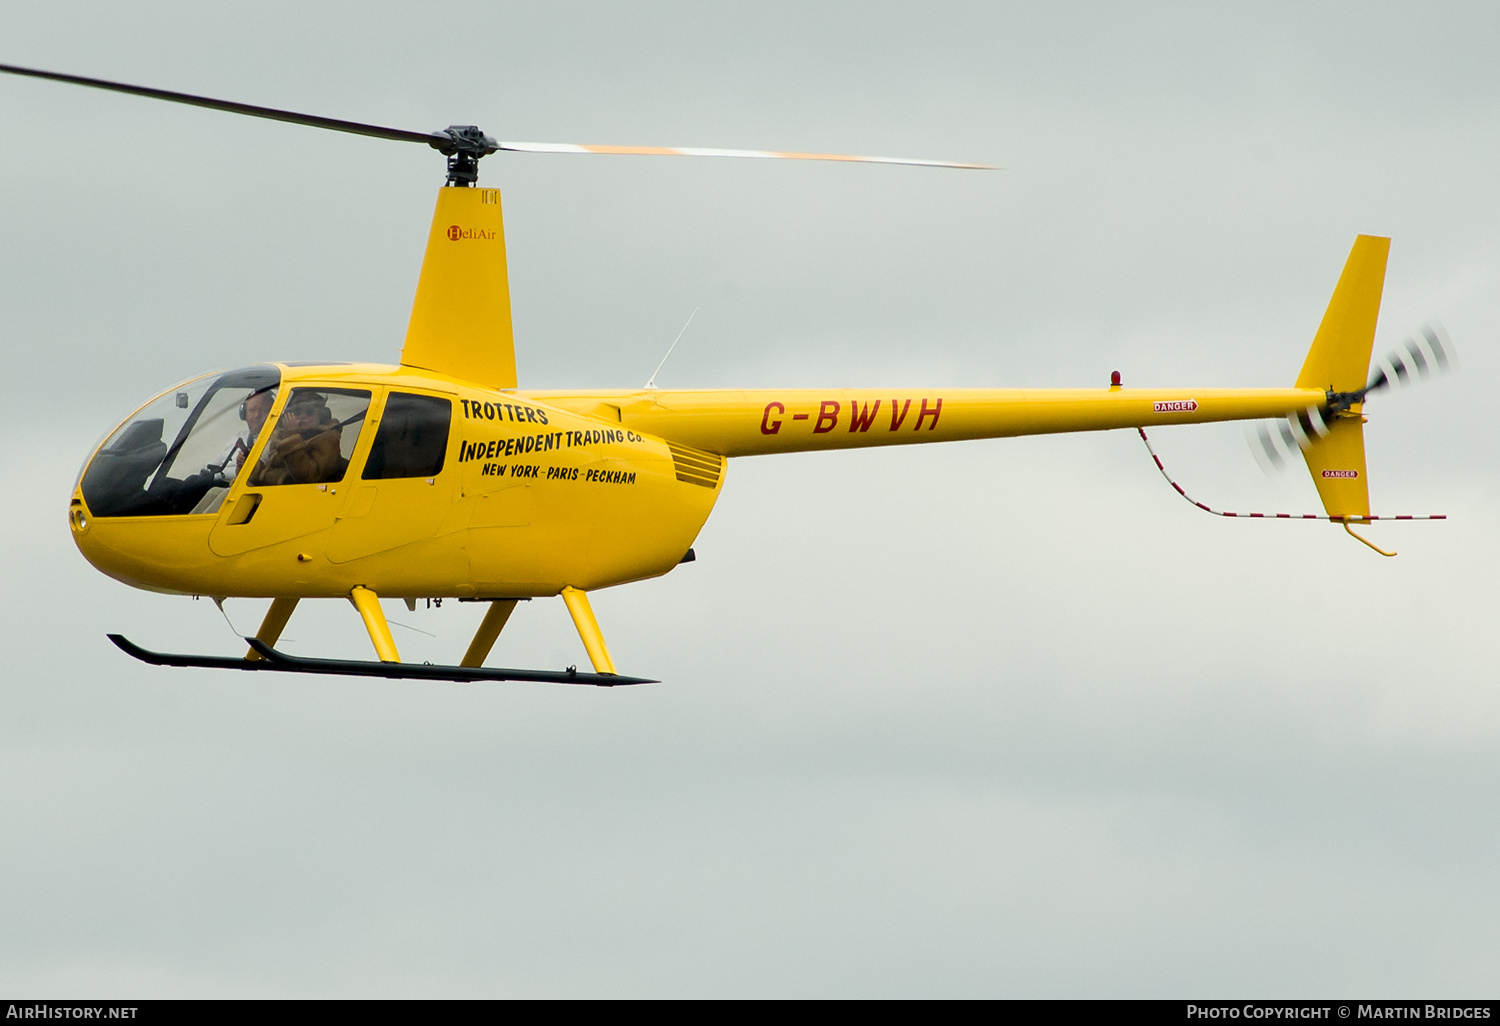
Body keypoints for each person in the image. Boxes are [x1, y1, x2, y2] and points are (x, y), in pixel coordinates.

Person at [248, 391, 344, 486]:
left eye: (309, 412)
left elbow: (309, 477)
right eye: (297, 412)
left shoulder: (327, 439)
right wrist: (247, 464)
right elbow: (267, 471)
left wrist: (290, 439)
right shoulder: (280, 437)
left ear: (322, 415)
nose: (302, 416)